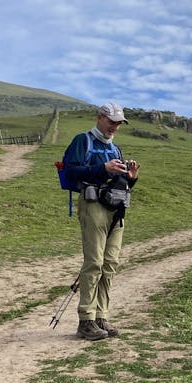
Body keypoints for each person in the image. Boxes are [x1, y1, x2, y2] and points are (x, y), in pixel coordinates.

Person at [62, 102, 140, 341]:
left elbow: (119, 182)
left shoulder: (116, 149)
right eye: (111, 122)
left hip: (115, 208)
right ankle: (86, 320)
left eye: (118, 123)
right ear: (99, 118)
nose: (114, 127)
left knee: (110, 263)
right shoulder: (82, 141)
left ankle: (101, 316)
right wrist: (102, 168)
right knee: (94, 262)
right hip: (93, 204)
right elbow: (70, 171)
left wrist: (131, 178)